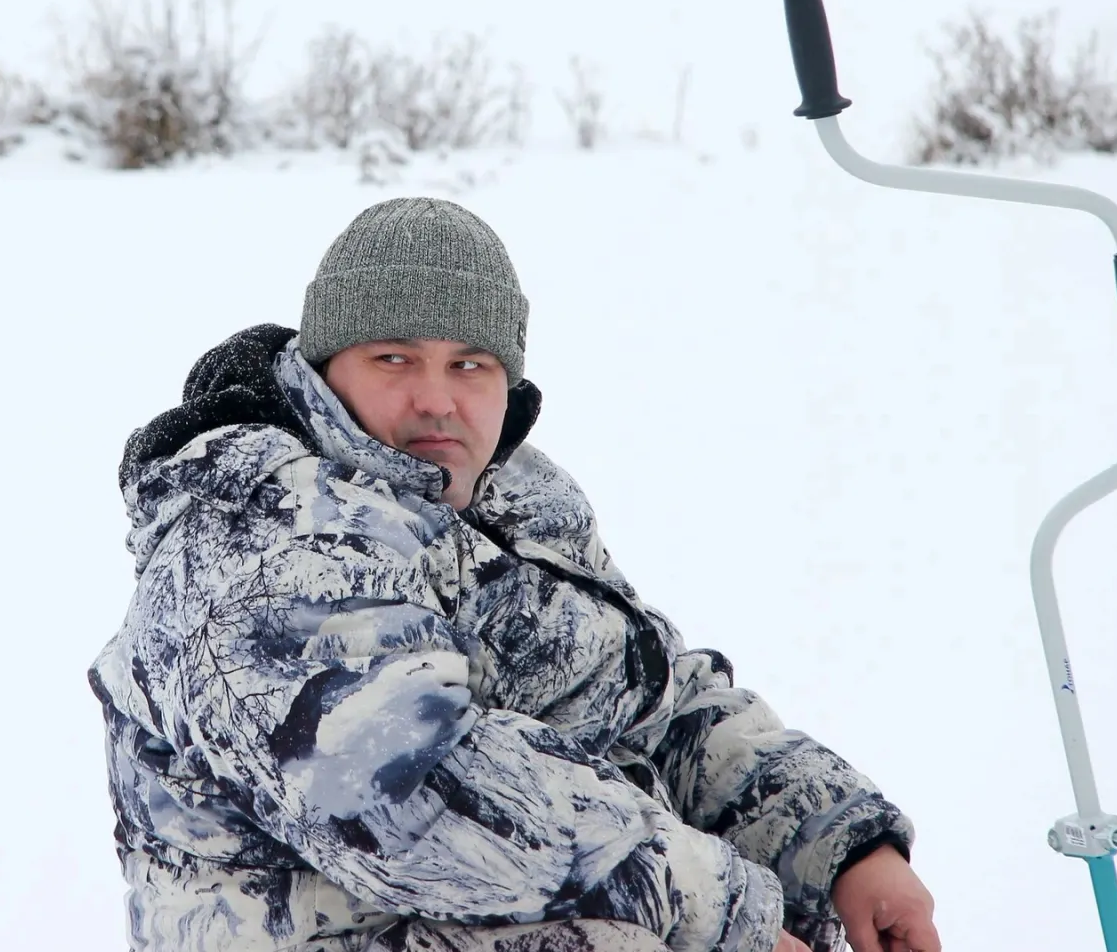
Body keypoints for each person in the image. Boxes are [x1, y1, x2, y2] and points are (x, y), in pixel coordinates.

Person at [89, 198, 941, 952]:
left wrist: (842, 846)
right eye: (393, 358)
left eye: (470, 365)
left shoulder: (512, 498)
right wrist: (725, 913)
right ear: (323, 371)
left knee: (815, 906)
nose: (437, 398)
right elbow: (418, 803)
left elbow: (650, 700)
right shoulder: (257, 533)